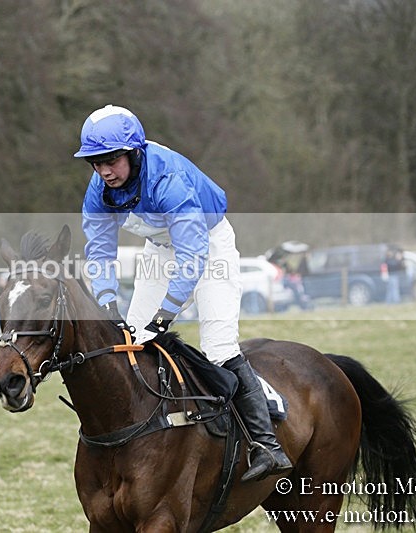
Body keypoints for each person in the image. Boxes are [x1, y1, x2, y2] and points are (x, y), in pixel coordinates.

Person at [75, 104, 292, 482]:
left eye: (111, 160)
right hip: (160, 252)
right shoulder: (100, 189)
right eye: (96, 163)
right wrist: (107, 301)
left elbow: (192, 256)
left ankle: (266, 444)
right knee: (132, 342)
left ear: (134, 153)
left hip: (208, 247)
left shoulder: (168, 179)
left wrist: (164, 317)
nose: (104, 171)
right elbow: (99, 249)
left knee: (219, 348)